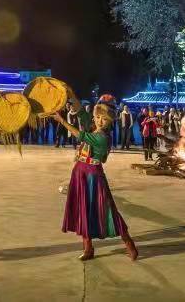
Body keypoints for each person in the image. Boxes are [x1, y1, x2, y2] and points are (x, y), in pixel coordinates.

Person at [53, 100, 137, 261]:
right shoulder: (93, 127)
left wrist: (62, 121)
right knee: (82, 210)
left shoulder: (103, 138)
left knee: (108, 211)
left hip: (93, 175)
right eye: (98, 117)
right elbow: (82, 114)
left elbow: (81, 135)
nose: (99, 120)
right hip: (80, 172)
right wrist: (70, 93)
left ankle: (129, 243)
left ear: (110, 121)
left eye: (104, 119)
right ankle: (88, 248)